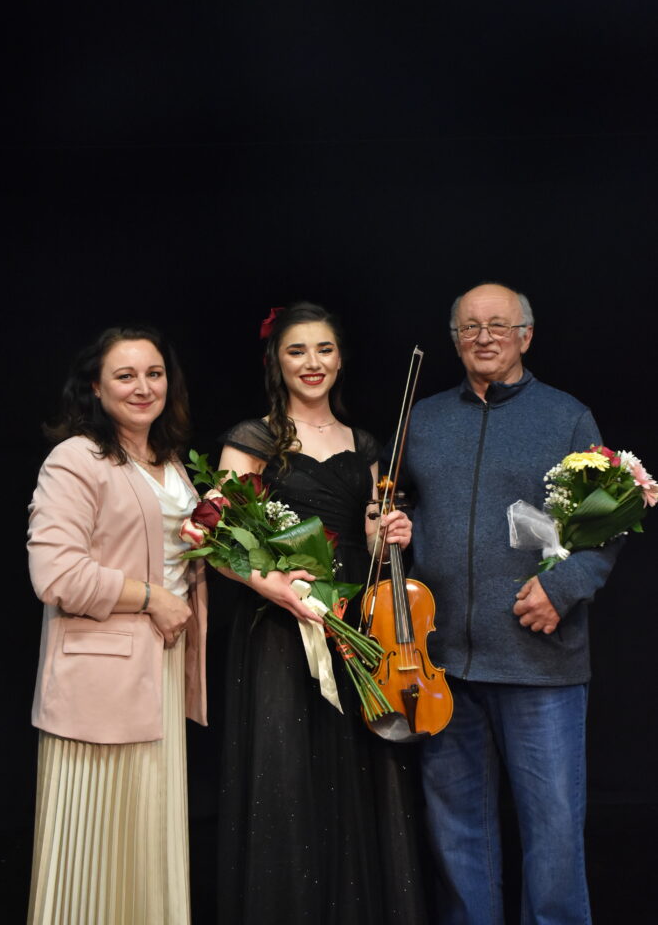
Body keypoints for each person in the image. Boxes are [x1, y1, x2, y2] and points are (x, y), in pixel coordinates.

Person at [402, 282, 619, 925]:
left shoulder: (567, 417)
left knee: (553, 835)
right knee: (457, 835)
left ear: (526, 335)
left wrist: (564, 587)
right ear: (455, 341)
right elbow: (399, 505)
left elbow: (609, 523)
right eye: (469, 327)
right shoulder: (423, 420)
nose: (484, 337)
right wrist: (386, 522)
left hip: (538, 663)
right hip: (442, 666)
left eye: (498, 325)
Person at [215, 302, 429, 925]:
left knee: (359, 770)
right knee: (286, 774)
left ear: (340, 358)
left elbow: (370, 541)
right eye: (297, 351)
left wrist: (391, 533)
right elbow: (221, 544)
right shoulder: (253, 439)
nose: (313, 363)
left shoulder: (364, 445)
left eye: (325, 349)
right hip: (281, 628)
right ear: (276, 362)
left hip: (353, 621)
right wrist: (278, 589)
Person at [27, 326, 207, 925]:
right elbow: (56, 574)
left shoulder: (170, 462)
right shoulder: (76, 459)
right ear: (96, 389)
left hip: (161, 668)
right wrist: (153, 598)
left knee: (148, 841)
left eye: (154, 374)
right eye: (125, 376)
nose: (143, 387)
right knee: (94, 849)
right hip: (100, 680)